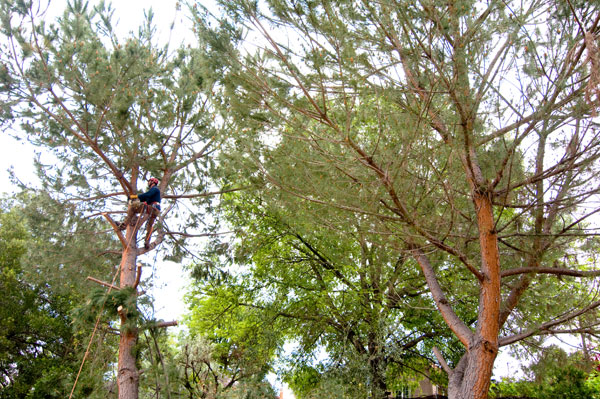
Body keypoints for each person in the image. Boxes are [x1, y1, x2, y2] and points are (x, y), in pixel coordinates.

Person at [137, 177, 161, 249]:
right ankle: (147, 241)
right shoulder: (154, 191)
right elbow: (147, 199)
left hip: (152, 208)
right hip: (155, 209)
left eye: (149, 181)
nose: (148, 183)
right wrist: (144, 201)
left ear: (152, 182)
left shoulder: (154, 189)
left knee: (134, 208)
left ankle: (125, 224)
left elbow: (147, 195)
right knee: (150, 226)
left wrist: (135, 196)